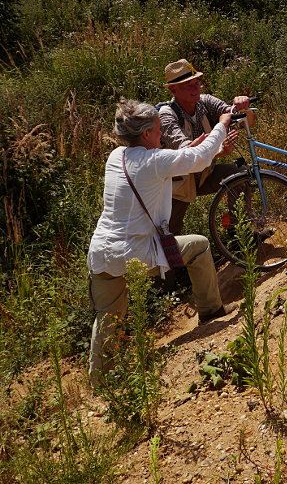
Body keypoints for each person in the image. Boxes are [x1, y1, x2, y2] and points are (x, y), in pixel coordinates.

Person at [87, 99, 237, 388]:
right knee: (200, 246)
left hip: (102, 254)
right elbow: (197, 160)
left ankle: (100, 384)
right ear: (145, 134)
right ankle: (211, 311)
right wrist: (221, 125)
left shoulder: (115, 157)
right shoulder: (154, 161)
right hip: (137, 254)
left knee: (107, 319)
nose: (162, 135)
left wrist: (195, 150)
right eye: (158, 130)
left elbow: (180, 164)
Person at [159, 58, 254, 235]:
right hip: (176, 187)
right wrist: (218, 152)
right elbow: (188, 156)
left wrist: (242, 108)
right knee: (169, 235)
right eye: (189, 85)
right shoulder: (166, 115)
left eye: (197, 83)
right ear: (173, 89)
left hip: (203, 175)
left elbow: (244, 121)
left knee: (239, 176)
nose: (196, 89)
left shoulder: (205, 102)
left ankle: (240, 234)